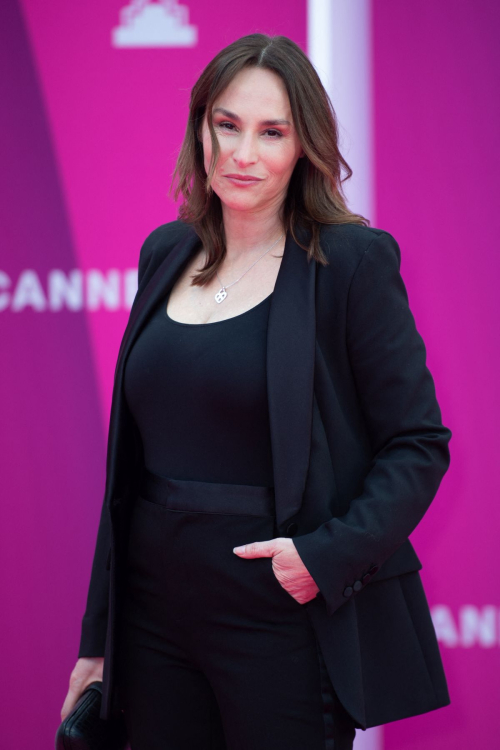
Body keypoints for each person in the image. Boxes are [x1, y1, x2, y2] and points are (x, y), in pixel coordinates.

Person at [61, 33, 452, 749]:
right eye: (227, 125)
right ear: (200, 128)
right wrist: (98, 639)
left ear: (304, 146)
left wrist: (323, 559)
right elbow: (128, 477)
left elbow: (418, 444)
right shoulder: (165, 252)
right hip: (151, 621)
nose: (244, 154)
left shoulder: (350, 264)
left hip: (280, 617)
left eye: (272, 132)